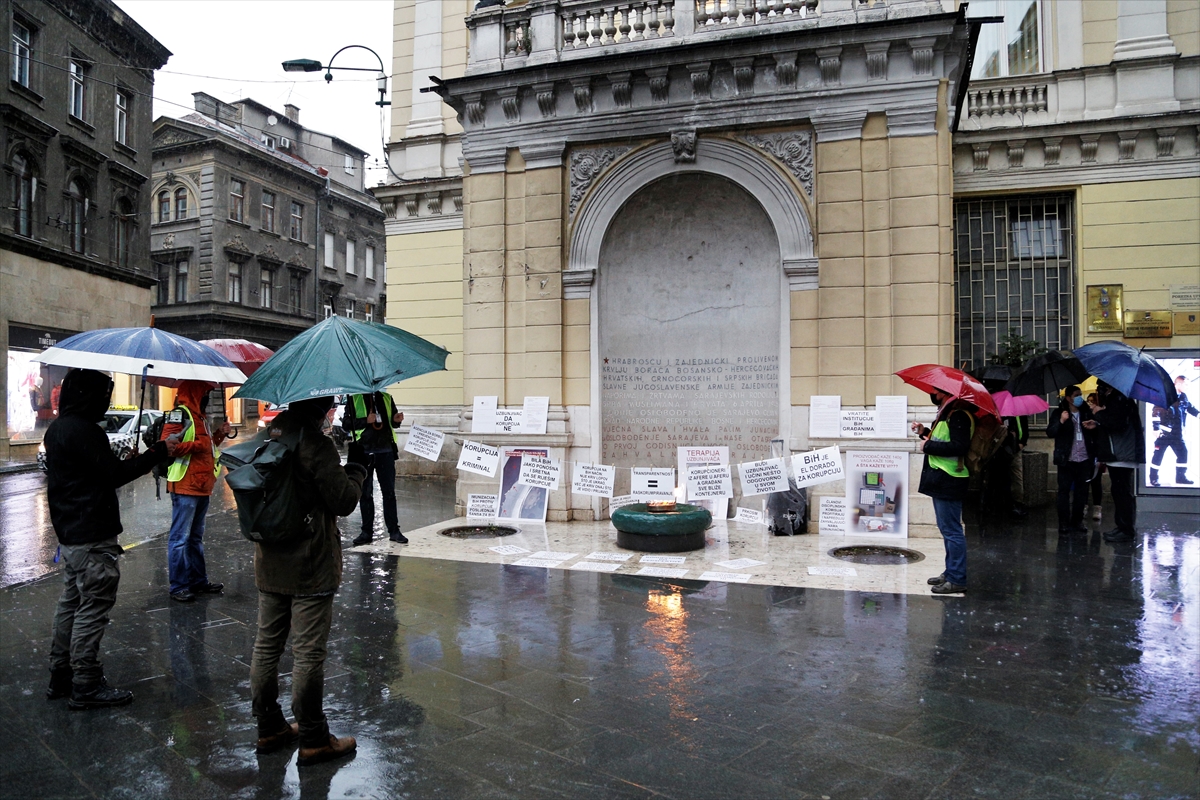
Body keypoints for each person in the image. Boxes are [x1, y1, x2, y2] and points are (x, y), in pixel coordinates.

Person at [43, 368, 177, 709]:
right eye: (104, 395)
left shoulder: (58, 429)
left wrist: (120, 460)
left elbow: (93, 471)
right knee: (92, 609)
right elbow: (113, 476)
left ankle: (61, 675)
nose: (106, 402)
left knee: (70, 605)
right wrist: (157, 452)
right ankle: (86, 683)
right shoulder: (86, 431)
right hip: (92, 535)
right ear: (90, 396)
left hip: (70, 534)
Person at [249, 396, 366, 766]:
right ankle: (314, 737)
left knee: (267, 646)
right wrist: (357, 470)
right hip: (310, 563)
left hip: (270, 560)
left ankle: (269, 726)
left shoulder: (271, 436)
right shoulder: (317, 445)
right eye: (329, 407)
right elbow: (344, 500)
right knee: (308, 653)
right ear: (319, 410)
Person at [160, 381, 231, 602]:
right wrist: (197, 445)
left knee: (195, 538)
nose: (207, 399)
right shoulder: (179, 415)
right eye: (204, 394)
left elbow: (207, 447)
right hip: (185, 486)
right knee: (180, 538)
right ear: (195, 393)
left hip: (201, 486)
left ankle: (198, 581)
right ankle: (179, 586)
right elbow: (167, 445)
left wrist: (219, 434)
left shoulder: (200, 417)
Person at [913, 388, 973, 595]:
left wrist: (927, 446)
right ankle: (951, 572)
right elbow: (943, 441)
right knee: (947, 529)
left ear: (944, 393)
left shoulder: (958, 416)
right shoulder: (947, 415)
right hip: (942, 478)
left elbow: (959, 447)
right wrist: (924, 432)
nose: (931, 393)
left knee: (952, 531)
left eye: (934, 391)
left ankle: (957, 578)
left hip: (950, 479)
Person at [342, 391, 407, 546]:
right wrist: (365, 420)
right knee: (365, 494)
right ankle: (366, 532)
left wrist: (396, 420)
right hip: (363, 451)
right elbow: (346, 425)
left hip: (385, 450)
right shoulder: (354, 399)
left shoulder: (385, 397)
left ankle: (394, 530)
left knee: (389, 493)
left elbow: (391, 422)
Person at [1091, 381, 1143, 543]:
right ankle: (1121, 526)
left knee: (1122, 492)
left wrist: (1099, 413)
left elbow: (1117, 423)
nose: (1100, 391)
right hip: (1119, 454)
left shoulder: (1120, 399)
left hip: (1122, 454)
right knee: (1119, 491)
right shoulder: (1118, 399)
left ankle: (1126, 530)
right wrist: (1099, 420)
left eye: (1102, 387)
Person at [1046, 385, 1097, 533]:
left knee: (1082, 492)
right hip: (1066, 459)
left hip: (1084, 458)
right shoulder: (1059, 413)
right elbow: (1051, 432)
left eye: (1080, 394)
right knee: (1064, 491)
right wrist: (1061, 421)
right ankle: (1063, 522)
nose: (1079, 397)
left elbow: (1095, 433)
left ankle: (1078, 521)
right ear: (1068, 398)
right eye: (1076, 395)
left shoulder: (1086, 412)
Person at [1149, 376, 1198, 486]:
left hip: (1177, 434)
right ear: (1178, 384)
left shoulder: (1183, 397)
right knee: (1158, 455)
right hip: (1164, 434)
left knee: (1183, 453)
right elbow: (1156, 412)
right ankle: (1153, 478)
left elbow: (1190, 408)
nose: (1187, 387)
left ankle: (1181, 477)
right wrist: (1156, 428)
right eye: (1186, 384)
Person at [1085, 393, 1105, 521]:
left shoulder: (1102, 416)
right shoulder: (1086, 414)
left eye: (1092, 401)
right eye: (1088, 401)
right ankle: (1084, 505)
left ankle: (1097, 508)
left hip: (1097, 454)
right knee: (1084, 481)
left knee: (1096, 481)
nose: (1090, 404)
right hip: (1086, 452)